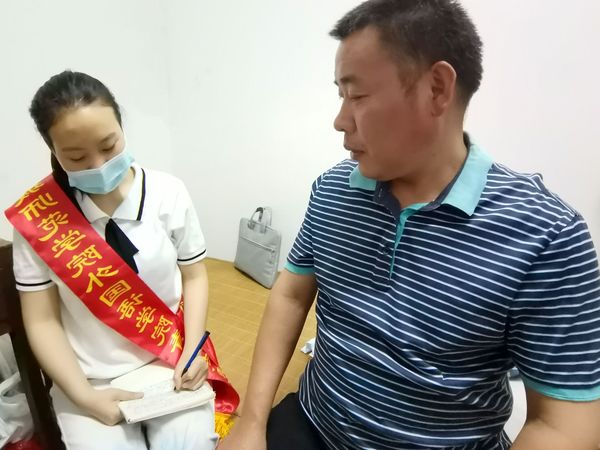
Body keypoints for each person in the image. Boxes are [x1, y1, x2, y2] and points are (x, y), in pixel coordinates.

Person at [219, 1, 600, 449]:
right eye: (340, 95)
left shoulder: (547, 236)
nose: (339, 120)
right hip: (313, 424)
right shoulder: (333, 189)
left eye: (357, 96)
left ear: (436, 89)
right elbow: (291, 292)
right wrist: (252, 420)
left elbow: (563, 424)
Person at [6, 71, 219, 450]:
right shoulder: (38, 219)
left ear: (121, 126)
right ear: (53, 150)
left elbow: (194, 275)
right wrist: (84, 396)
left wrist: (192, 349)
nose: (98, 164)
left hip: (168, 360)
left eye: (109, 145)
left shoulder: (168, 192)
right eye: (76, 157)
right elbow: (41, 320)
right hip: (88, 378)